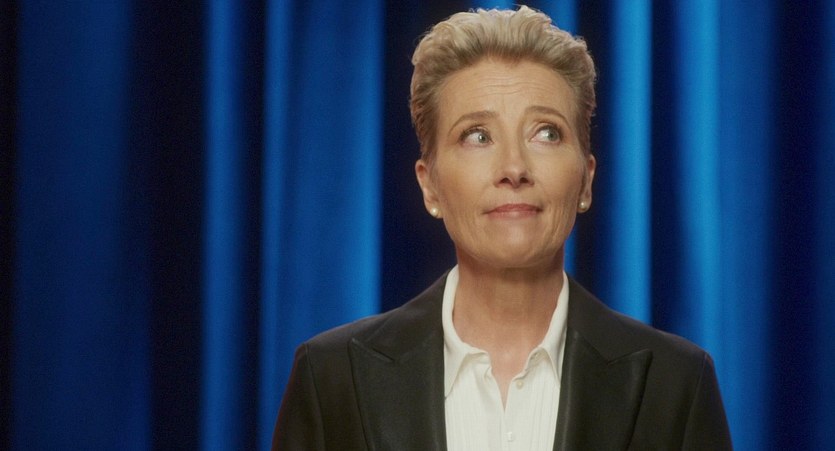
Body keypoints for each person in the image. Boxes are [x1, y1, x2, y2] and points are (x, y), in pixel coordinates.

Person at [273, 6, 732, 450]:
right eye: (477, 135)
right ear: (430, 186)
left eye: (546, 133)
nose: (513, 168)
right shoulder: (331, 379)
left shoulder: (676, 385)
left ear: (586, 180)